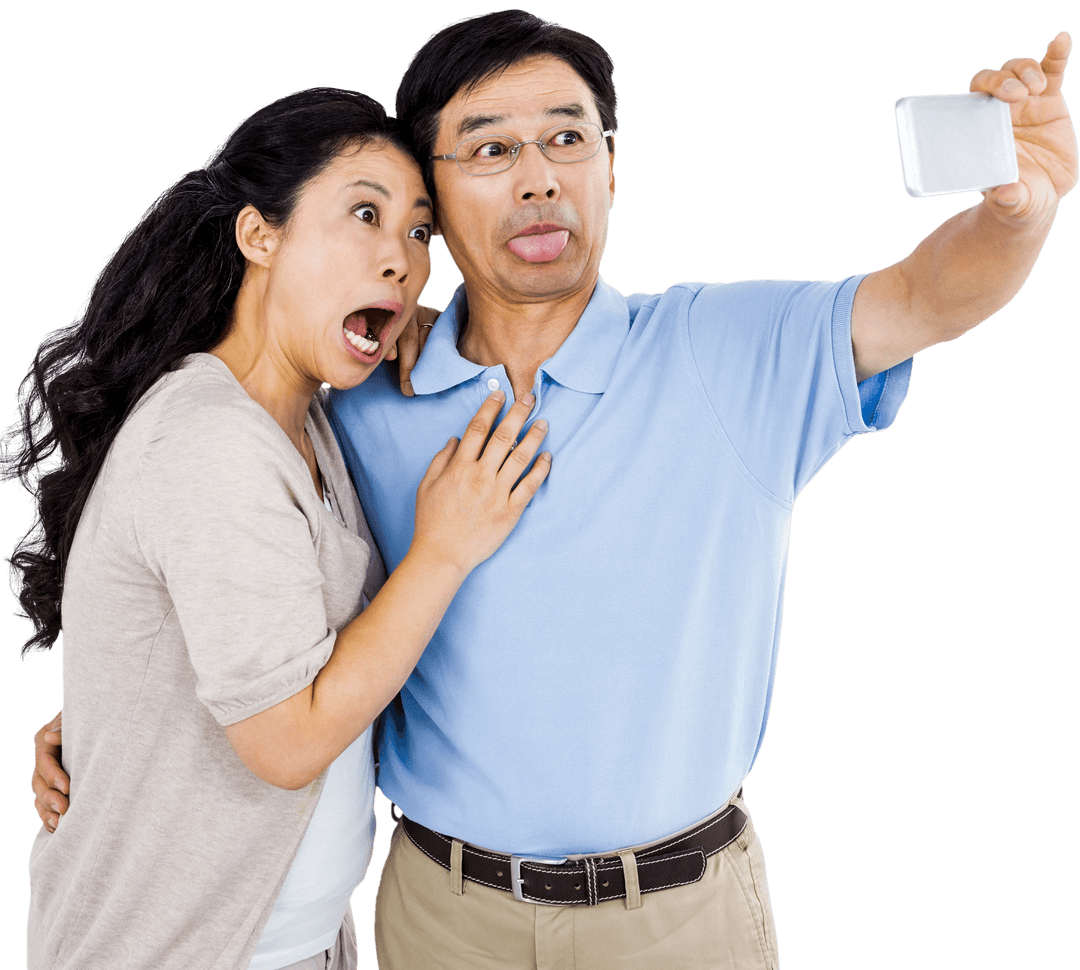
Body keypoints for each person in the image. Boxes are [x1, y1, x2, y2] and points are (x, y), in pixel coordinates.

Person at [31, 9, 1079, 969]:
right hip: (442, 913)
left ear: (611, 171)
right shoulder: (356, 391)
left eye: (568, 139)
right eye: (490, 148)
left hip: (682, 916)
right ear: (433, 197)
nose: (537, 177)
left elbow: (926, 296)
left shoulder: (727, 348)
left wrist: (1018, 213)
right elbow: (219, 559)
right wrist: (128, 719)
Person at [7, 86, 550, 970]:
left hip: (294, 946)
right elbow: (288, 741)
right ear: (260, 236)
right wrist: (444, 549)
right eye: (364, 214)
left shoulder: (305, 421)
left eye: (419, 233)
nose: (400, 261)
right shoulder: (210, 441)